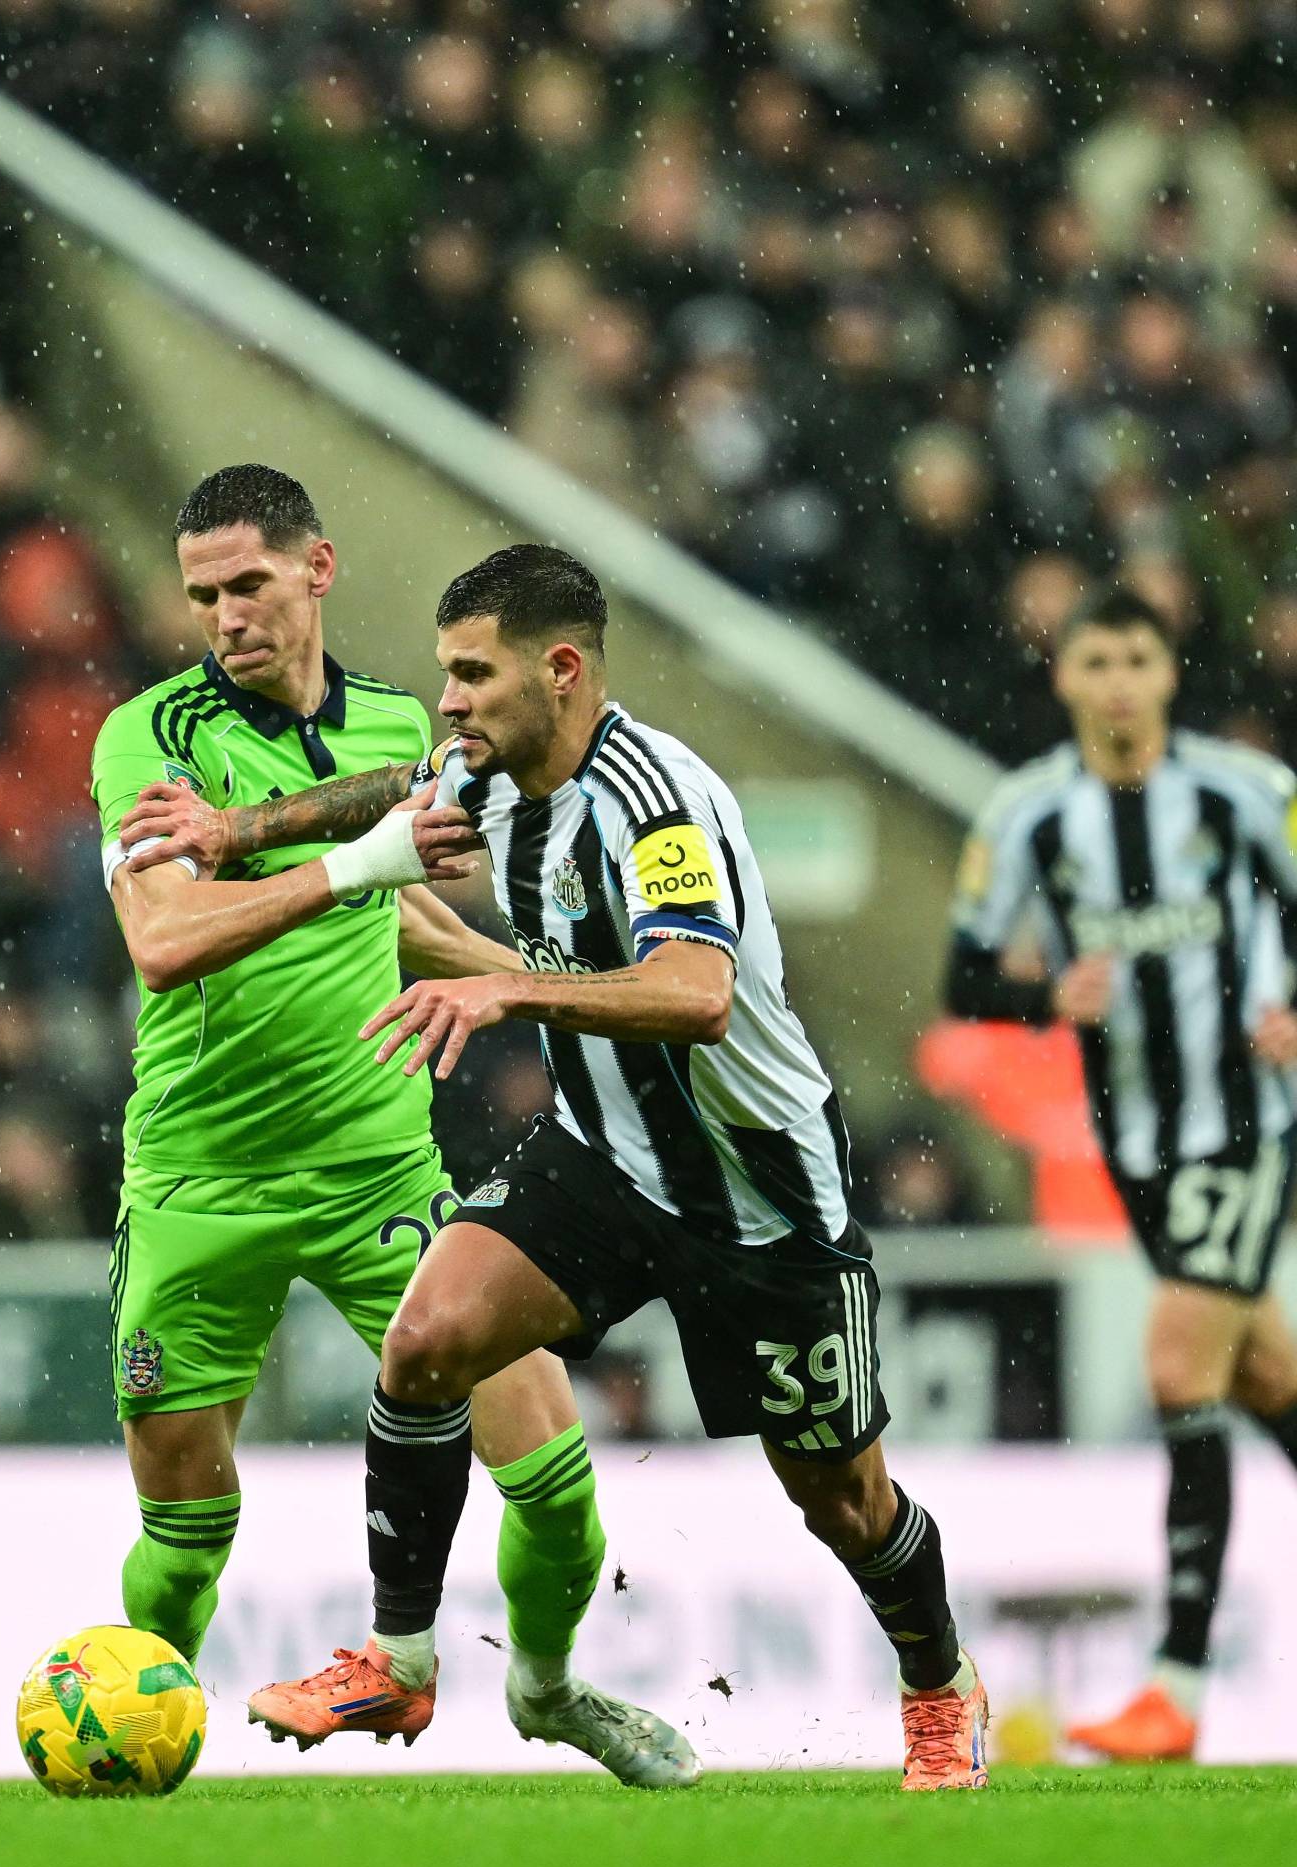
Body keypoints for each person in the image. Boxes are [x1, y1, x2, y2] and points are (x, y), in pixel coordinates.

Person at [239, 544, 988, 1792]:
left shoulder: (658, 803)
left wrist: (496, 980)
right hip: (601, 1161)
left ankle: (937, 1681)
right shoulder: (490, 776)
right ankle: (400, 1654)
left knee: (840, 1499)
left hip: (756, 1195)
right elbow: (385, 798)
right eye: (446, 674)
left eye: (474, 674)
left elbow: (694, 997)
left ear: (563, 667)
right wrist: (232, 827)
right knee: (426, 1339)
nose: (451, 700)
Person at [92, 467, 695, 1787]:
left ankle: (546, 1691)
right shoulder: (149, 739)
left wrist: (502, 972)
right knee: (188, 1537)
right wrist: (359, 864)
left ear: (318, 569)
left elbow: (393, 914)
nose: (225, 616)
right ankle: (140, 1733)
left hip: (380, 1165)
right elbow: (164, 939)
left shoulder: (394, 722)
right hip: (201, 1183)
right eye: (202, 595)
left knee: (558, 1485)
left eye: (248, 582)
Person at [946, 583, 1297, 1761]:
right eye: (1092, 659)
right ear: (1062, 677)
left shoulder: (1250, 794)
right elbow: (962, 977)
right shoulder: (1028, 813)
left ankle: (1175, 1687)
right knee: (1258, 1376)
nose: (1114, 681)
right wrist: (1046, 993)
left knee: (1174, 1364)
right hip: (1137, 1148)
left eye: (1135, 657)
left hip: (1248, 1125)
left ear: (1167, 674)